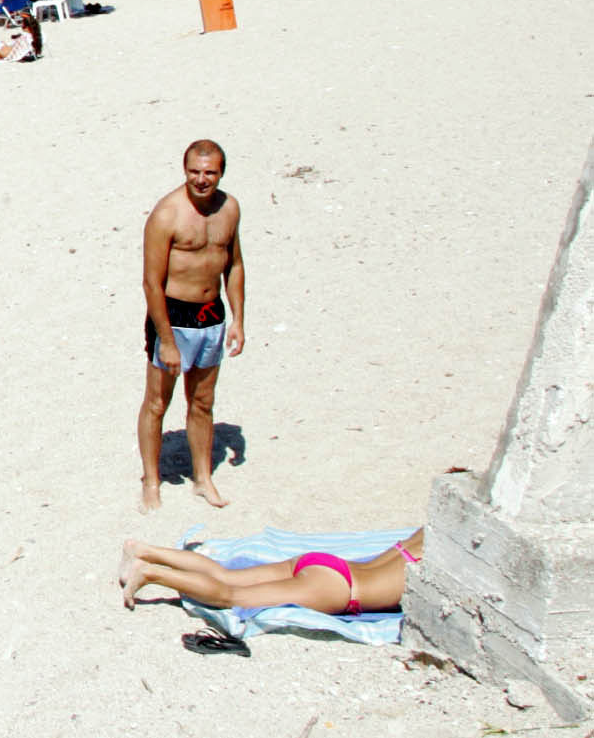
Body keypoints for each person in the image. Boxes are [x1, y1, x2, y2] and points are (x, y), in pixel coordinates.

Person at [138, 139, 247, 512]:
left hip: (211, 316)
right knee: (158, 402)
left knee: (203, 401)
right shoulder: (167, 214)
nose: (201, 180)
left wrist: (238, 320)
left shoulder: (229, 209)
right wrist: (166, 340)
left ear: (221, 173)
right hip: (174, 316)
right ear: (184, 171)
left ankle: (203, 478)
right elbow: (152, 282)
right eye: (194, 172)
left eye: (209, 172)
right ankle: (151, 482)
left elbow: (234, 265)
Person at [120, 531, 423, 616]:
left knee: (227, 576)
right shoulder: (442, 558)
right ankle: (150, 573)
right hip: (341, 589)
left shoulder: (426, 533)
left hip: (326, 564)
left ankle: (145, 549)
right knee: (232, 597)